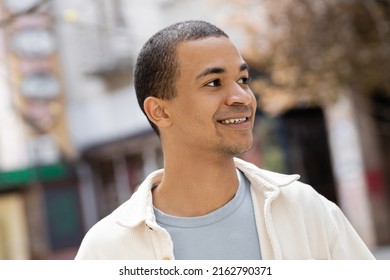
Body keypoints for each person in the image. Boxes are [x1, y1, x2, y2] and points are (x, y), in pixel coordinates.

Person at [75, 20, 375, 260]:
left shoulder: (305, 210)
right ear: (160, 111)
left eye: (243, 80)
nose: (242, 97)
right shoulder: (107, 252)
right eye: (214, 83)